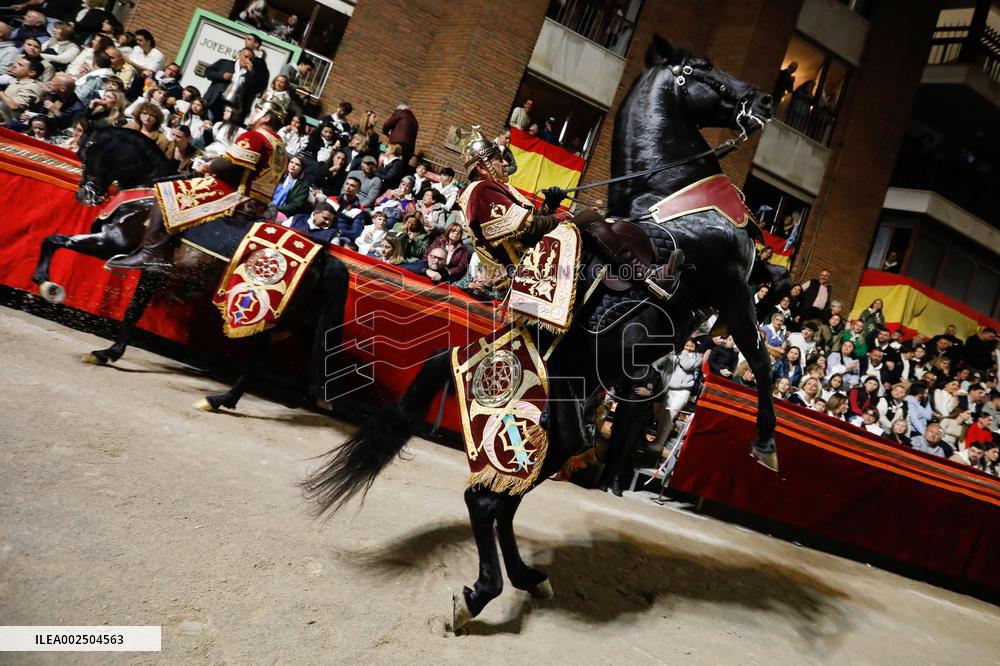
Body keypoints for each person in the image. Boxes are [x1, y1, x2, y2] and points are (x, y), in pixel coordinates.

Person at [107, 101, 288, 269]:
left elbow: (231, 166)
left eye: (258, 110)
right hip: (257, 205)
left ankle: (151, 252)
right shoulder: (280, 148)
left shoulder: (256, 137)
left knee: (167, 192)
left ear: (265, 117)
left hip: (235, 195)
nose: (253, 113)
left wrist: (209, 166)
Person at [599, 366, 662, 496]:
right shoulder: (630, 369)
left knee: (628, 449)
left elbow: (659, 396)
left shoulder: (655, 375)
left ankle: (618, 480)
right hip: (624, 411)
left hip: (641, 416)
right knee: (615, 445)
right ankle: (606, 478)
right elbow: (618, 386)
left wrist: (649, 393)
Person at [202, 47, 268, 123]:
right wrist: (221, 75)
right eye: (246, 57)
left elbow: (254, 89)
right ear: (239, 55)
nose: (247, 60)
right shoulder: (225, 63)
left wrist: (251, 73)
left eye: (250, 59)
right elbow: (208, 72)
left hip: (231, 106)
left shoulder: (250, 73)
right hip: (215, 99)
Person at [326, 175, 369, 246]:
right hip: (324, 228)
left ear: (358, 190)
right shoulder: (331, 199)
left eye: (352, 186)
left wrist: (339, 232)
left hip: (339, 235)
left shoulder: (359, 211)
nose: (348, 187)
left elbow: (356, 232)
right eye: (347, 184)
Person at [0, 57, 44, 122]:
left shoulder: (31, 86)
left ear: (32, 73)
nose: (14, 65)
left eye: (20, 65)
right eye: (16, 63)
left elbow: (14, 106)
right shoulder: (18, 81)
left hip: (9, 126)